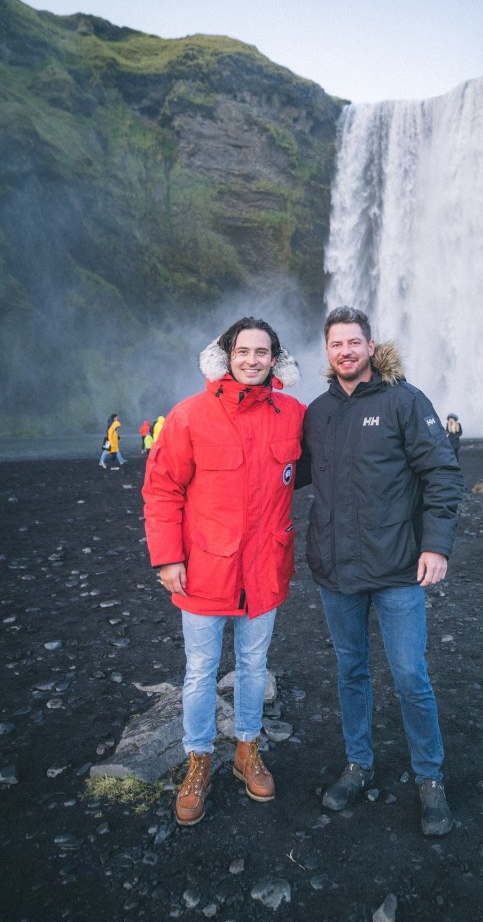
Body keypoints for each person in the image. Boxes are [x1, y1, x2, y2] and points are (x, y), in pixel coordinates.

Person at [296, 306, 464, 837]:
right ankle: (358, 763)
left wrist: (436, 546)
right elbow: (283, 474)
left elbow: (442, 472)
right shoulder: (317, 413)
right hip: (336, 570)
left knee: (411, 675)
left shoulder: (405, 401)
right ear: (326, 353)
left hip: (396, 568)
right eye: (335, 344)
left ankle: (430, 779)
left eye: (354, 342)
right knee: (351, 672)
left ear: (371, 347)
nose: (345, 351)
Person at [142, 317, 305, 827]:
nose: (252, 360)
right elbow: (162, 488)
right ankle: (198, 759)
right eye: (243, 351)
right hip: (205, 570)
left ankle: (246, 749)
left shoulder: (294, 415)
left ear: (275, 360)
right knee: (199, 671)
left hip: (264, 569)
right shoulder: (190, 415)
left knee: (255, 667)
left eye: (262, 352)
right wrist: (168, 557)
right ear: (226, 354)